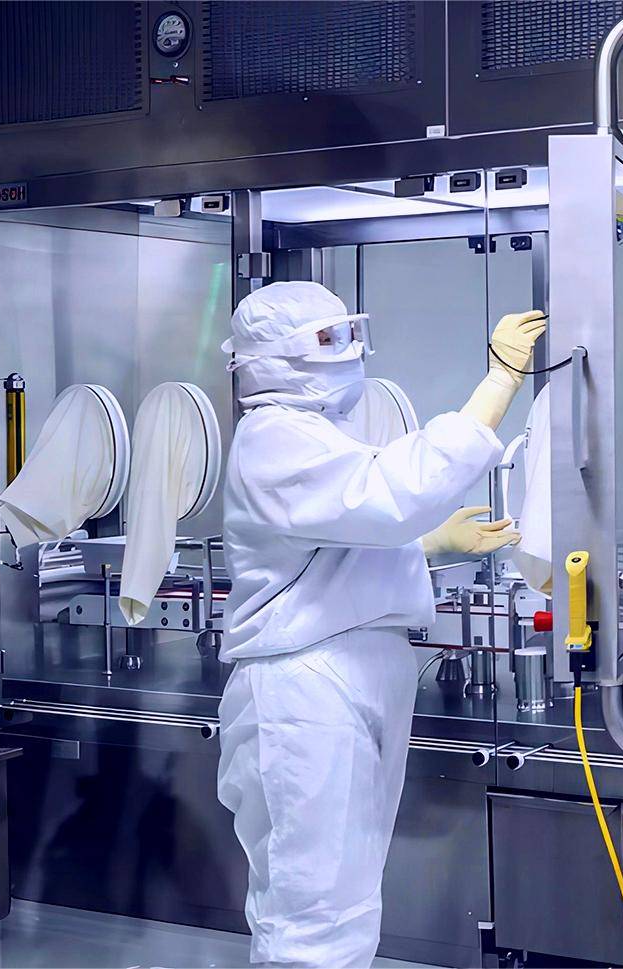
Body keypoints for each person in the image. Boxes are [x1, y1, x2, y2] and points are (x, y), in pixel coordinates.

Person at [213, 281, 545, 967]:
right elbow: (396, 491)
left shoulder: (313, 435)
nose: (350, 352)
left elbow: (333, 545)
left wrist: (427, 545)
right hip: (304, 695)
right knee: (313, 913)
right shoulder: (272, 437)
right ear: (278, 357)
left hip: (344, 681)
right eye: (330, 339)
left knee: (347, 896)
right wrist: (499, 382)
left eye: (350, 333)